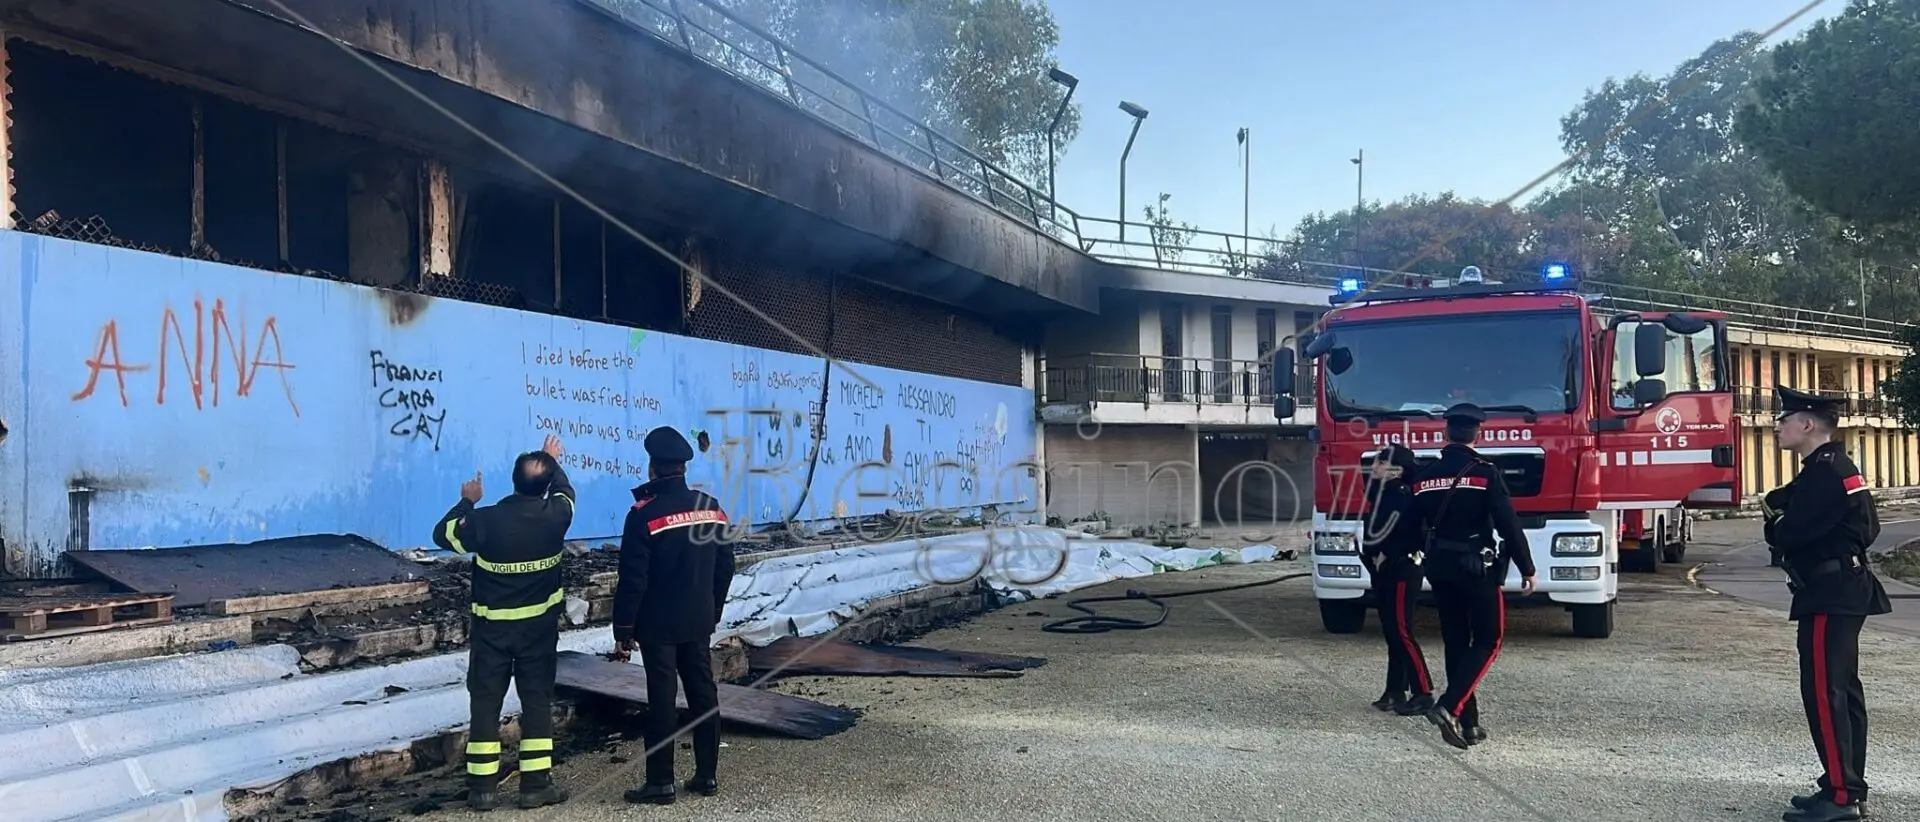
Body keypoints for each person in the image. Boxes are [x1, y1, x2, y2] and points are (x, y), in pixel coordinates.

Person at [1765, 387, 1892, 822]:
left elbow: (1790, 531)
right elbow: (1868, 524)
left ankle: (1841, 799)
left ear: (1806, 424)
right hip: (1841, 588)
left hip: (1830, 591)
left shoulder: (1824, 472)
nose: (1777, 426)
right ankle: (1844, 784)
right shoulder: (1833, 467)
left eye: (1784, 419)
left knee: (1826, 693)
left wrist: (1779, 524)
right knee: (1842, 692)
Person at [431, 434, 576, 811]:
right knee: (537, 703)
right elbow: (564, 491)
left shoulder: (485, 521)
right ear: (545, 488)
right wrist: (551, 459)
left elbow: (442, 534)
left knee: (485, 705)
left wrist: (468, 500)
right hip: (538, 634)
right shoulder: (557, 516)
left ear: (512, 481)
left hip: (491, 634)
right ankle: (535, 785)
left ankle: (482, 790)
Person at [614, 426, 739, 806]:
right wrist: (714, 608)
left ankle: (660, 783)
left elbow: (634, 578)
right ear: (683, 467)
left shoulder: (643, 515)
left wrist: (623, 628)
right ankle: (707, 775)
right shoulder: (711, 507)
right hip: (699, 619)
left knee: (662, 700)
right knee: (704, 694)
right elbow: (725, 567)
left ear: (652, 468)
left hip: (658, 625)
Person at [1411, 403, 1536, 750]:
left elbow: (1412, 525)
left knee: (1456, 641)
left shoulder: (1423, 478)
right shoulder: (1485, 473)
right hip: (1475, 567)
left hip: (1438, 567)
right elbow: (1508, 525)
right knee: (1488, 640)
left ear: (1444, 434)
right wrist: (1527, 568)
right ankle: (1449, 708)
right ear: (1477, 434)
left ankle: (1470, 725)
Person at [1359, 443, 1435, 717]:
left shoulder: (1404, 496)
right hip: (1384, 569)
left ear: (1395, 470)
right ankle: (1394, 690)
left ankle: (1423, 692)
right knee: (1392, 631)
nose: (1375, 467)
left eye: (1380, 462)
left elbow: (1406, 533)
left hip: (1403, 567)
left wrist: (1385, 553)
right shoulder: (1383, 492)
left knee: (1403, 631)